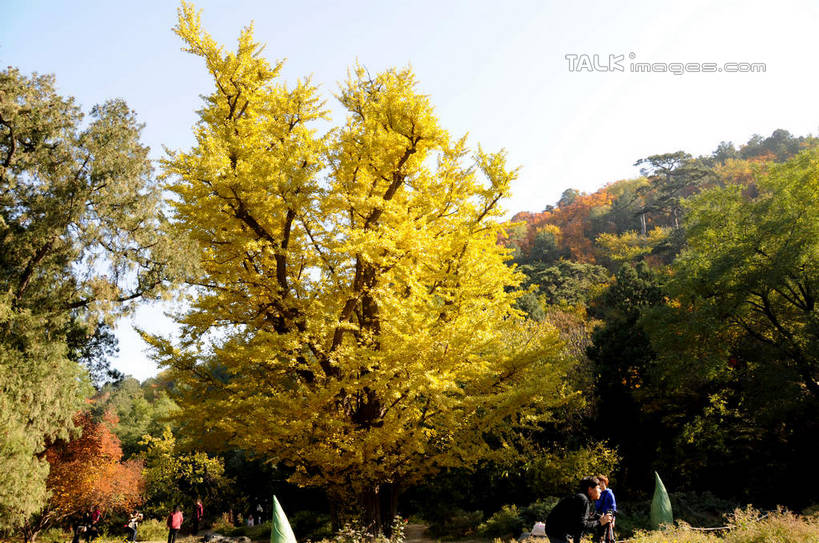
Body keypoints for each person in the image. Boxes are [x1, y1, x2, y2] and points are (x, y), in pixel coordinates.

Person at [545, 476, 612, 543]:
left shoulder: (584, 499)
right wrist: (600, 522)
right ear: (590, 489)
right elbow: (582, 525)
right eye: (598, 488)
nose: (600, 491)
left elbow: (580, 524)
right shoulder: (582, 500)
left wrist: (599, 518)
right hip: (555, 530)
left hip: (556, 529)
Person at [594, 475, 616, 543]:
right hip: (600, 517)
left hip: (607, 517)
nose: (602, 484)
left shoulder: (609, 493)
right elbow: (597, 506)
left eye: (603, 482)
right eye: (600, 483)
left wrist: (612, 518)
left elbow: (613, 506)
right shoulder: (598, 493)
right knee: (598, 536)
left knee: (608, 537)